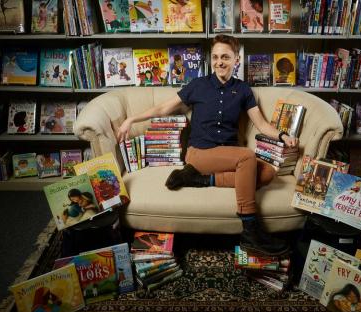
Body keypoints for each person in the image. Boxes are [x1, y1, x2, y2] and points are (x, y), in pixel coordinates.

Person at [117, 35, 298, 256]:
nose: (220, 62)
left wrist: (282, 135)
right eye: (215, 57)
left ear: (235, 59)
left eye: (225, 57)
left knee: (269, 173)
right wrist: (131, 120)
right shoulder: (198, 85)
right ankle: (250, 230)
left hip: (227, 158)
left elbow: (260, 123)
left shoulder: (243, 90)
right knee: (247, 157)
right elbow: (163, 108)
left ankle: (200, 179)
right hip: (199, 154)